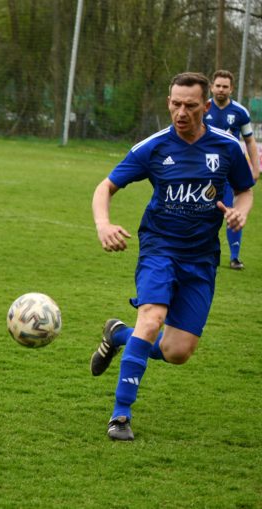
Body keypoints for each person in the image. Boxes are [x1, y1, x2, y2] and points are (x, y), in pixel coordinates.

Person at [90, 72, 254, 441]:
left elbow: (245, 190)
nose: (181, 112)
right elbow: (106, 186)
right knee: (151, 318)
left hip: (201, 258)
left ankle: (119, 336)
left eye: (190, 106)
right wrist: (103, 224)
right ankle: (120, 416)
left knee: (177, 351)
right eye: (175, 104)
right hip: (159, 248)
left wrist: (240, 211)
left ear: (206, 106)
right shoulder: (154, 147)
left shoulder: (226, 147)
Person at [204, 70, 260, 270]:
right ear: (211, 87)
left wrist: (255, 168)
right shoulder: (203, 108)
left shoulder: (240, 112)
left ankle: (234, 256)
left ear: (231, 89)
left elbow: (250, 141)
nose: (221, 89)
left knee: (232, 212)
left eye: (225, 86)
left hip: (228, 171)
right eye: (217, 85)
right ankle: (200, 251)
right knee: (200, 211)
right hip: (203, 171)